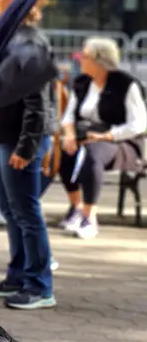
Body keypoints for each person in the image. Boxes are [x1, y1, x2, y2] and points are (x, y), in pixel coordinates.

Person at [0, 0, 58, 309]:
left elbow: (37, 102)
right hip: (2, 135)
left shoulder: (29, 41)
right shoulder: (13, 37)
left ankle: (39, 285)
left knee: (26, 211)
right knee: (11, 209)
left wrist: (27, 145)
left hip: (18, 138)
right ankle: (18, 275)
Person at [58, 36, 147, 240]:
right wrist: (69, 135)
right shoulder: (82, 82)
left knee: (93, 155)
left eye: (84, 56)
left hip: (121, 139)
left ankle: (89, 217)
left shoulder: (126, 85)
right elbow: (69, 115)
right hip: (86, 134)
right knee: (64, 152)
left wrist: (106, 136)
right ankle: (77, 206)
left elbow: (139, 123)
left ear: (100, 61)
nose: (79, 59)